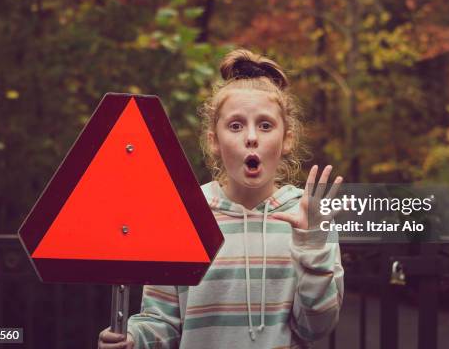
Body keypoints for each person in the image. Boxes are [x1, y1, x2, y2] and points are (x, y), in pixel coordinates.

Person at [98, 49, 344, 348]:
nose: (251, 137)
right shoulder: (183, 215)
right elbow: (161, 320)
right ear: (214, 140)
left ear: (287, 138)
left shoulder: (309, 217)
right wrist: (135, 339)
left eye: (265, 125)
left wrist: (311, 244)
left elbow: (316, 329)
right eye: (236, 125)